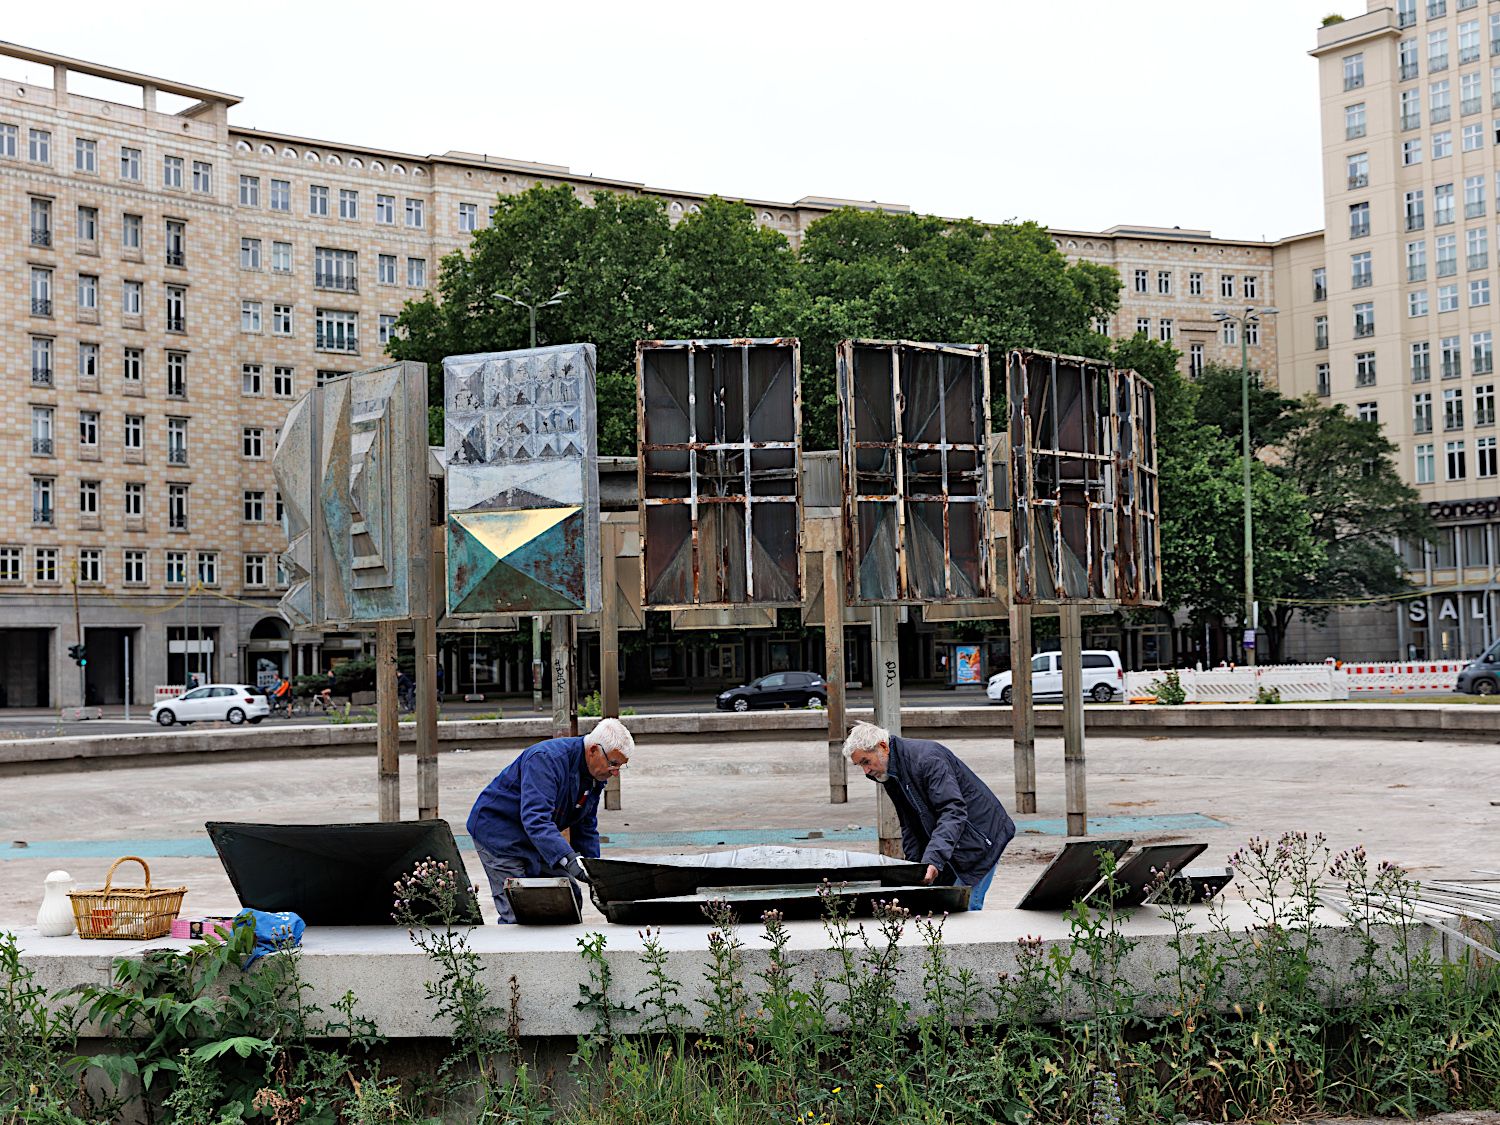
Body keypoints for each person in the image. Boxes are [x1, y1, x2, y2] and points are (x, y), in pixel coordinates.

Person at [466, 718, 633, 924]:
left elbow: (586, 826)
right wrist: (569, 860)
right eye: (613, 764)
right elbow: (535, 819)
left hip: (536, 836)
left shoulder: (595, 775)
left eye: (621, 766)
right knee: (519, 909)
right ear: (593, 750)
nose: (615, 772)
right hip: (499, 833)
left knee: (568, 896)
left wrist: (595, 875)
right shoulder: (546, 759)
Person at [843, 721, 1014, 911]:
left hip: (982, 837)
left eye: (866, 762)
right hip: (952, 837)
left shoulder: (927, 759)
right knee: (943, 907)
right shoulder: (888, 773)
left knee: (965, 909)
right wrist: (915, 868)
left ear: (883, 747)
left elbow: (953, 811)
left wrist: (934, 859)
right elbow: (909, 824)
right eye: (860, 765)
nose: (866, 771)